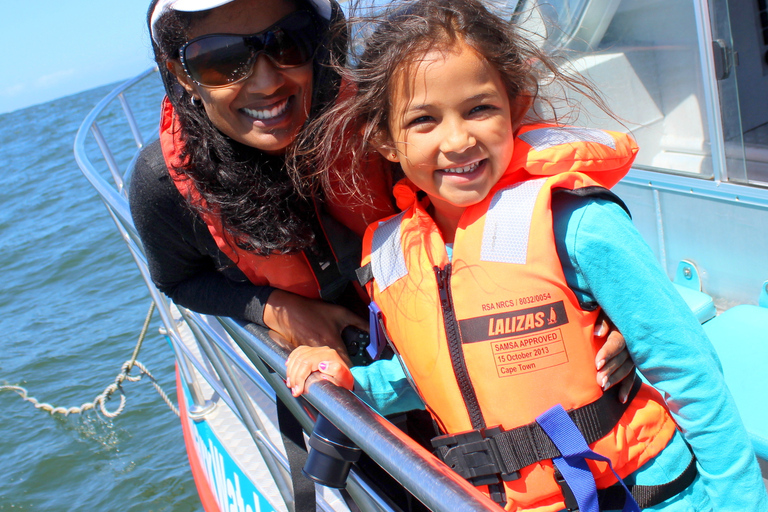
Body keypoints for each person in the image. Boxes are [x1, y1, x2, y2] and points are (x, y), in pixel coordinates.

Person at [285, 1, 768, 510]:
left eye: (479, 109)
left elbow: (687, 368)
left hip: (642, 493)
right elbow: (430, 372)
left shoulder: (578, 223)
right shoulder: (392, 254)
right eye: (424, 120)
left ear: (516, 108)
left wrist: (740, 499)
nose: (458, 139)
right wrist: (348, 384)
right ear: (384, 139)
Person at [131, 0, 632, 389]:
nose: (265, 80)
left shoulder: (386, 119)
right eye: (221, 60)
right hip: (335, 377)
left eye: (287, 43)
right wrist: (272, 306)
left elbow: (518, 197)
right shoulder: (164, 184)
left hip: (463, 348)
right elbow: (179, 280)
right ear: (182, 75)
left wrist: (609, 305)